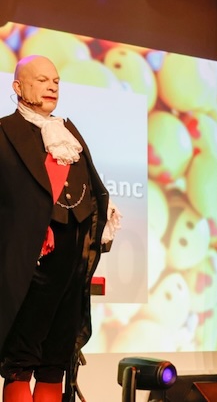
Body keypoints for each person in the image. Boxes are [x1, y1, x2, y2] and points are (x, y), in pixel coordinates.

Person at [0, 55, 120, 402]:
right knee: (22, 359)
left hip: (72, 264)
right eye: (41, 80)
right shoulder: (5, 132)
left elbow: (90, 186)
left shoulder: (68, 133)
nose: (52, 85)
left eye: (55, 80)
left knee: (55, 361)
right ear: (18, 87)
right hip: (29, 267)